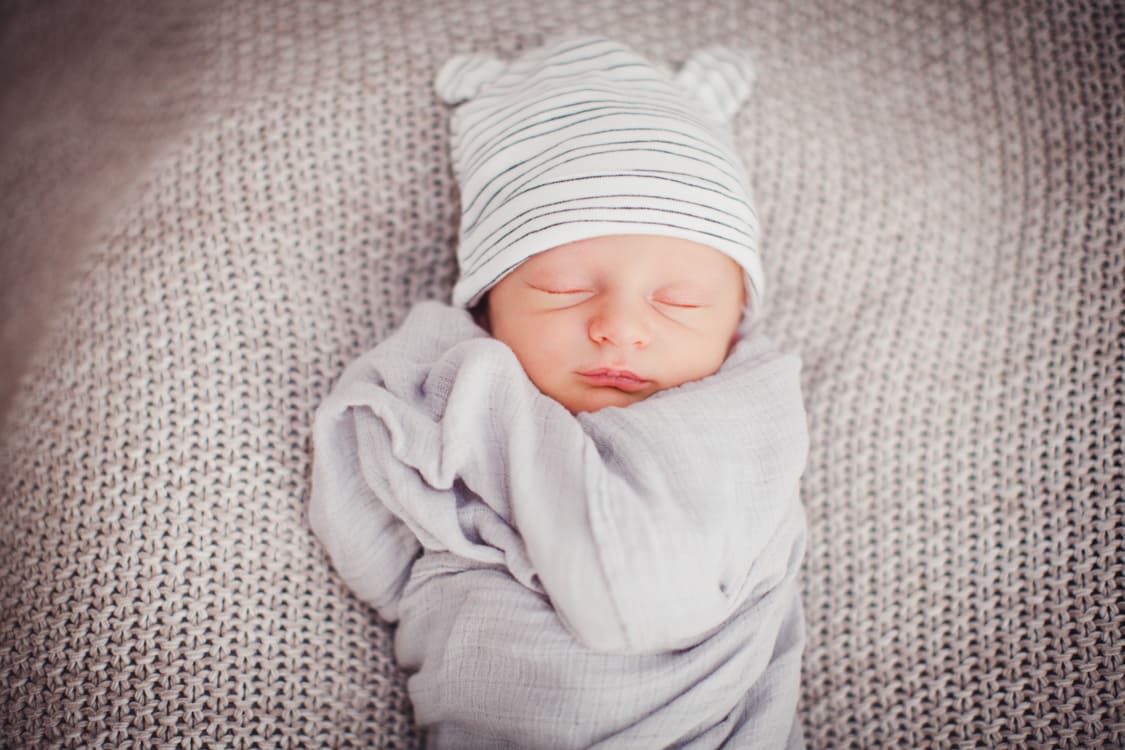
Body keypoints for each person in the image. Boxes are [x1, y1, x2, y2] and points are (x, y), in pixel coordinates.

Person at [310, 36, 810, 748]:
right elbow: (373, 551)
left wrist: (485, 402)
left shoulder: (742, 414)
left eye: (680, 302)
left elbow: (632, 597)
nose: (620, 327)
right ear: (485, 307)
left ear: (734, 323)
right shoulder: (425, 385)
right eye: (563, 289)